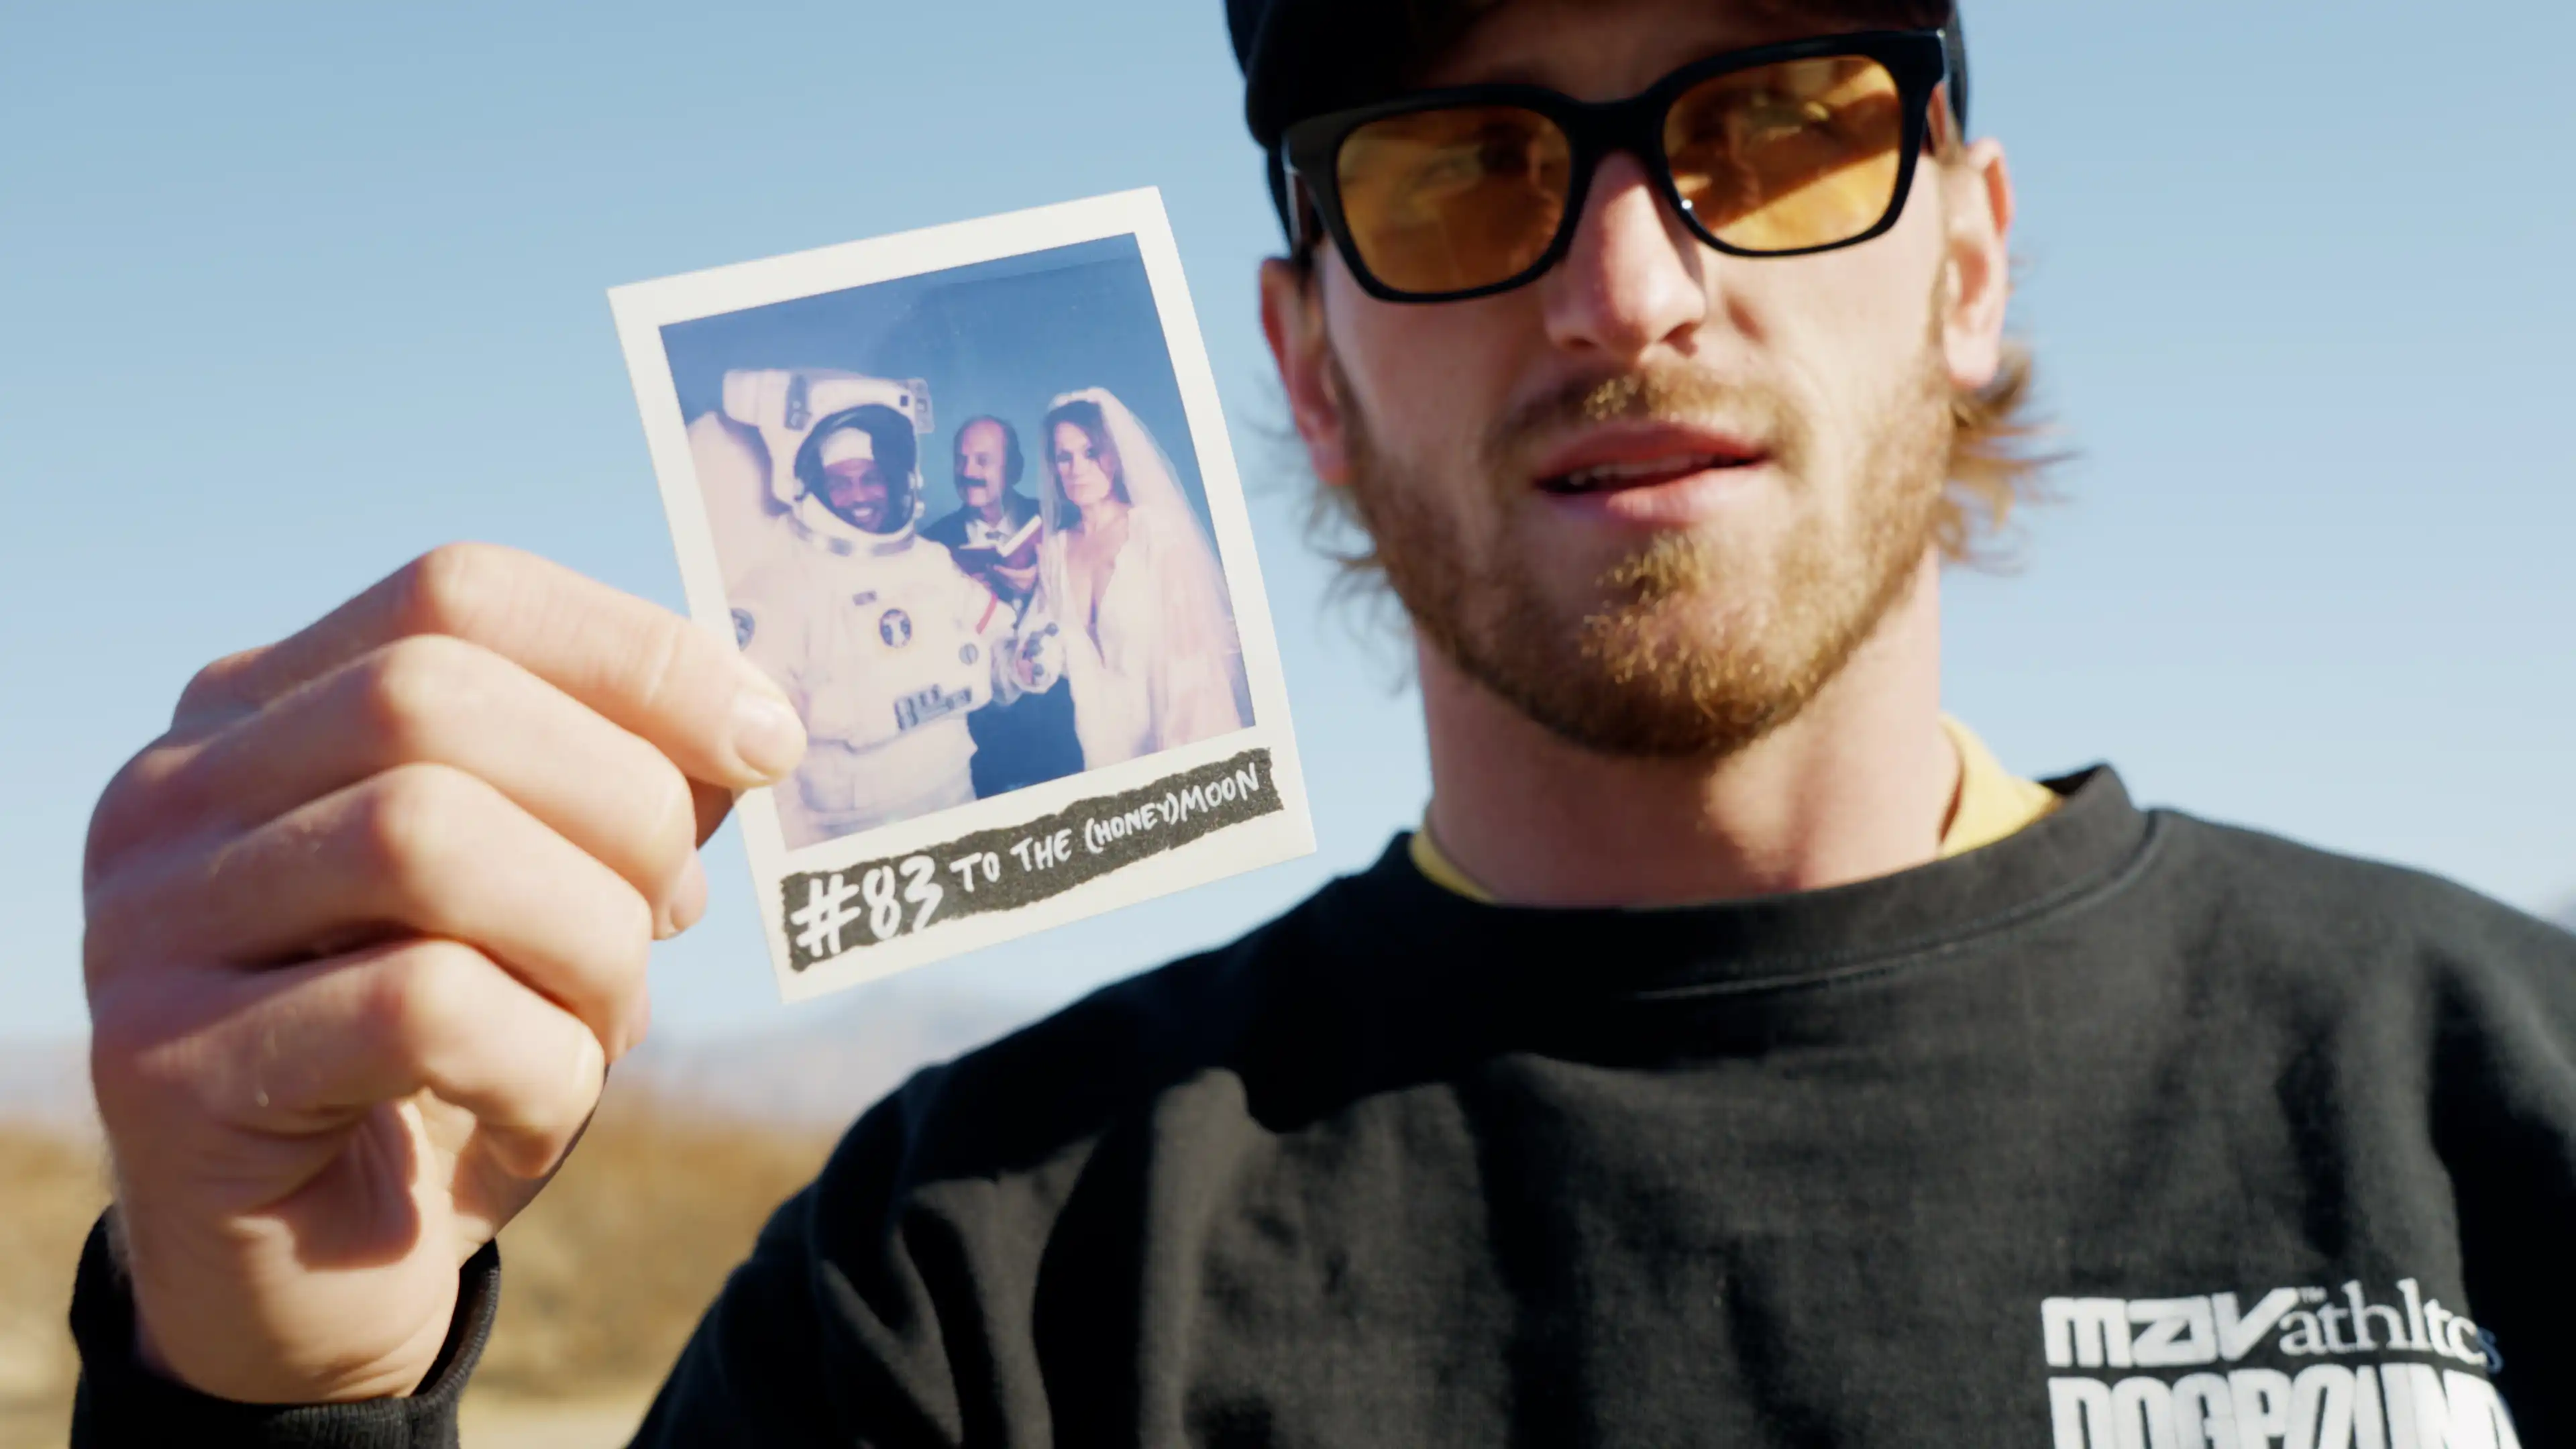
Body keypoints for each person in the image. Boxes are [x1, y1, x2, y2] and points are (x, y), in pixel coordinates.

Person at [66, 1, 2575, 1446]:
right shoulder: (976, 1275)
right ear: (1304, 361)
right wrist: (272, 1370)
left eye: (1771, 128)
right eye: (1466, 171)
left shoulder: (2503, 1105)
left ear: (1971, 260)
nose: (1626, 282)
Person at [720, 390, 1044, 845]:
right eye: (841, 482)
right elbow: (761, 752)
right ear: (812, 488)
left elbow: (998, 652)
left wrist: (1021, 664)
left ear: (894, 481)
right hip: (853, 831)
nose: (860, 496)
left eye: (871, 478)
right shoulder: (781, 583)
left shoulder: (929, 561)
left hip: (958, 793)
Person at [1035, 388, 1252, 767]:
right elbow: (1048, 651)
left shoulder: (1155, 533)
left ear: (1114, 455)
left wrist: (1178, 759)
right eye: (1064, 457)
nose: (1078, 469)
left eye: (1090, 453)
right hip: (1098, 758)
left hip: (1175, 743)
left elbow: (1192, 658)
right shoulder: (1054, 551)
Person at [922, 415, 1084, 797]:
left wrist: (1042, 584)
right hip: (984, 734)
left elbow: (1097, 609)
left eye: (982, 461)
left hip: (1062, 724)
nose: (967, 472)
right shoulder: (931, 545)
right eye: (961, 461)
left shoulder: (1062, 519)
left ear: (1014, 469)